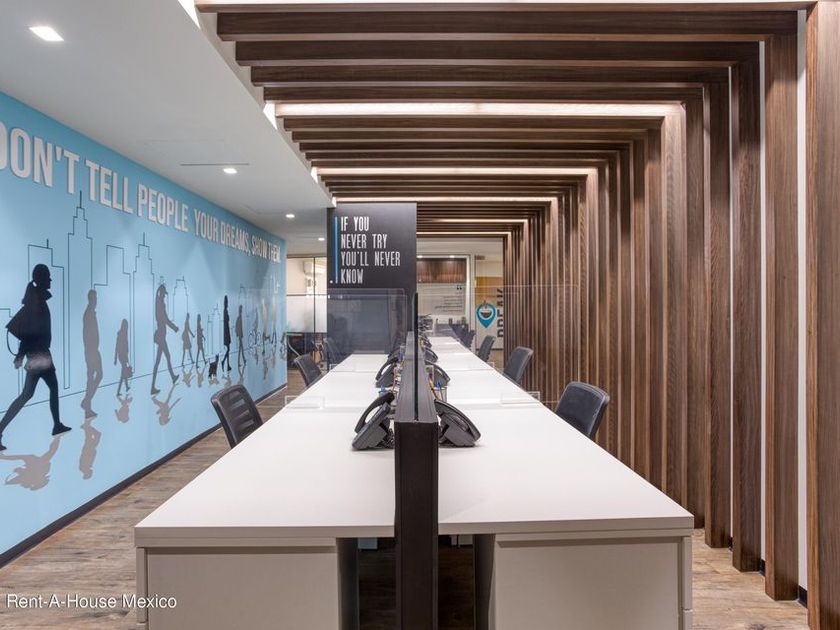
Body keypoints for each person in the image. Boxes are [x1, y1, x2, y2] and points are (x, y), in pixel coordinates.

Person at [0, 264, 71, 451]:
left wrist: (21, 355)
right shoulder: (37, 302)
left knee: (34, 392)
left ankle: (57, 424)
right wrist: (21, 354)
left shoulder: (36, 299)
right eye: (48, 277)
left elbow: (28, 333)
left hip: (40, 354)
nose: (50, 280)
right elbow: (29, 333)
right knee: (29, 394)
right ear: (41, 279)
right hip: (40, 355)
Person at [150, 283, 179, 395]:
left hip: (162, 335)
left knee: (163, 358)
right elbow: (165, 319)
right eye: (164, 294)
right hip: (161, 335)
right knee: (162, 359)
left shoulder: (160, 303)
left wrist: (173, 327)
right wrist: (174, 327)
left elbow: (165, 318)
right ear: (161, 293)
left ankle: (172, 377)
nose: (164, 296)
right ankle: (153, 386)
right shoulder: (159, 304)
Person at [80, 289, 102, 418]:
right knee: (95, 375)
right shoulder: (89, 313)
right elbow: (86, 333)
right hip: (91, 350)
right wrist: (91, 349)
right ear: (91, 299)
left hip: (92, 350)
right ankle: (87, 405)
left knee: (95, 375)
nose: (96, 300)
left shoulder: (91, 312)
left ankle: (86, 403)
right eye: (95, 298)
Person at [114, 318, 131, 395]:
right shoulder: (121, 334)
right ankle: (119, 391)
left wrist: (127, 358)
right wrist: (115, 359)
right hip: (121, 355)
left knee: (124, 372)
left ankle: (125, 387)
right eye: (126, 325)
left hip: (124, 355)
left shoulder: (124, 334)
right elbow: (117, 347)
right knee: (123, 373)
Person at [221, 296, 231, 372]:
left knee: (228, 349)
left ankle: (227, 365)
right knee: (228, 349)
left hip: (226, 331)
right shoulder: (225, 311)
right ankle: (224, 361)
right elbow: (227, 320)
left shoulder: (225, 311)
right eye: (227, 302)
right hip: (226, 332)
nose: (227, 304)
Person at [235, 303, 246, 368]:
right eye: (241, 309)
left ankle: (243, 360)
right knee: (241, 349)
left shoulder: (240, 317)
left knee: (241, 348)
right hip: (240, 335)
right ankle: (240, 361)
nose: (242, 310)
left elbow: (239, 327)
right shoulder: (239, 317)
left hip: (240, 335)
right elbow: (238, 327)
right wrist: (239, 335)